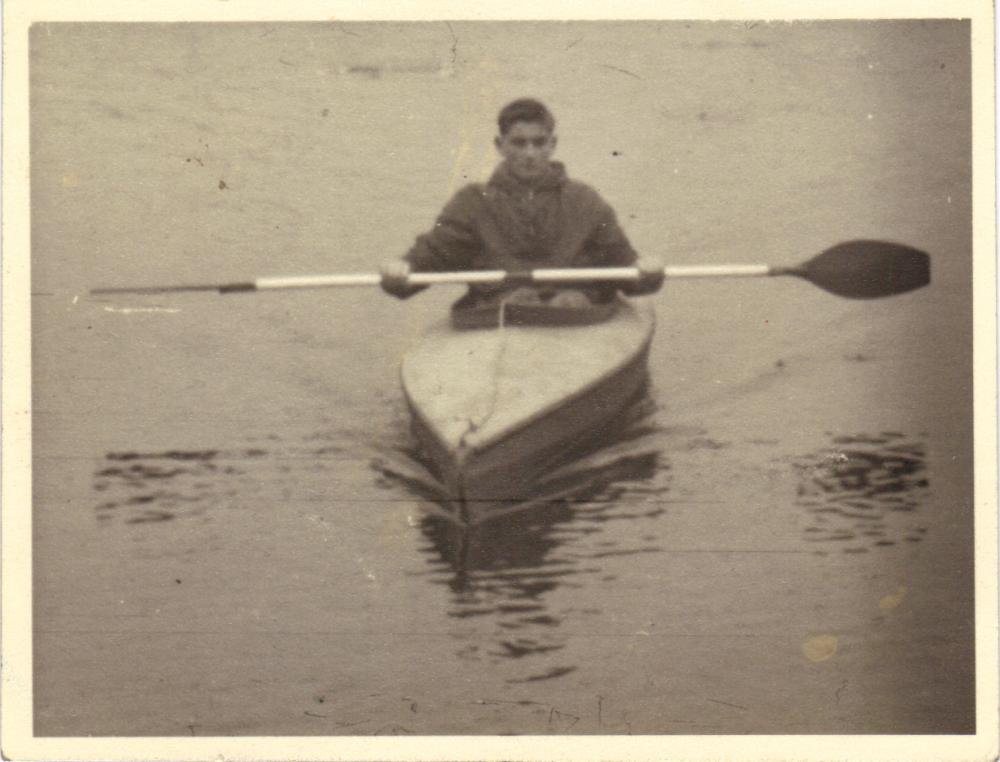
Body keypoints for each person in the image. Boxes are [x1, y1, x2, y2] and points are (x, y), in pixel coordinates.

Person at [380, 98, 664, 312]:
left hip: (576, 317)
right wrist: (400, 271)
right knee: (512, 302)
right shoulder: (472, 203)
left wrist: (647, 273)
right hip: (501, 315)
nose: (530, 154)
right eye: (519, 143)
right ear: (500, 145)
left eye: (539, 143)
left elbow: (624, 266)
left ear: (552, 145)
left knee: (571, 300)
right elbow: (431, 257)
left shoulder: (584, 200)